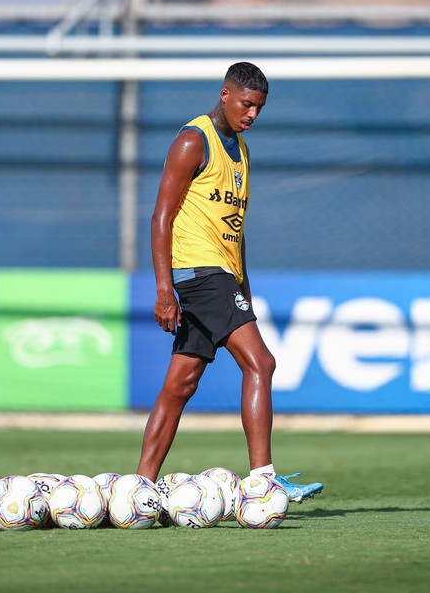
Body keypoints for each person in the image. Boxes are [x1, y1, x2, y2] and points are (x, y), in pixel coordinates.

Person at [135, 61, 323, 503]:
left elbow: (234, 229)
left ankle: (138, 486)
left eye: (259, 108)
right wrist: (165, 290)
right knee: (262, 363)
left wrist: (244, 287)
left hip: (223, 275)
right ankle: (263, 480)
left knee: (181, 382)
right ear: (225, 94)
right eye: (246, 104)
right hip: (198, 273)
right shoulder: (191, 141)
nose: (252, 114)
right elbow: (161, 217)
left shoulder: (241, 151)